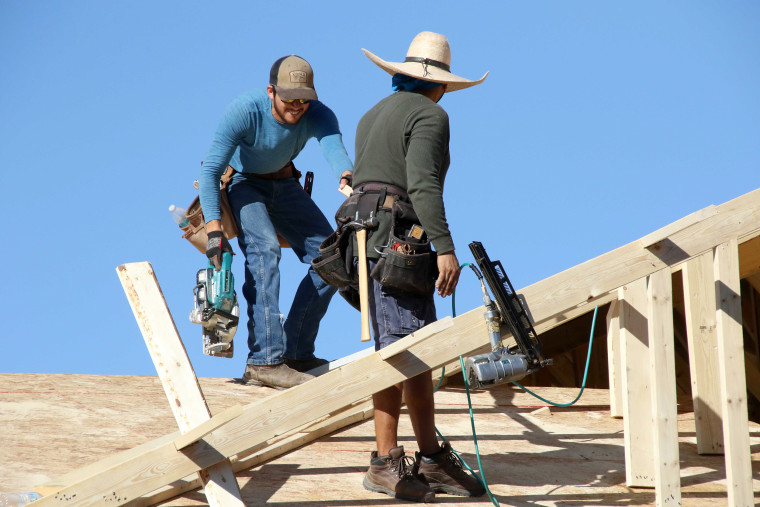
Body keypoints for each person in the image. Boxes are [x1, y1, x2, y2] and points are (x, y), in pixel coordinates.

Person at [349, 32, 489, 502]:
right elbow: (423, 184)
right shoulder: (432, 114)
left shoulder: (372, 114)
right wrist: (445, 247)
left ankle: (428, 455)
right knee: (402, 350)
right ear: (443, 85)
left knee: (413, 349)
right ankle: (385, 462)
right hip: (397, 242)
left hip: (364, 239)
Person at [198, 55, 353, 390]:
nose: (297, 107)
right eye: (289, 99)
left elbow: (335, 150)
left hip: (284, 184)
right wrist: (213, 231)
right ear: (271, 91)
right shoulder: (245, 111)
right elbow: (210, 171)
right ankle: (264, 361)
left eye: (304, 99)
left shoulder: (318, 114)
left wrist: (348, 177)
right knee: (264, 251)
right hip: (243, 184)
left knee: (334, 256)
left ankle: (296, 351)